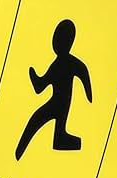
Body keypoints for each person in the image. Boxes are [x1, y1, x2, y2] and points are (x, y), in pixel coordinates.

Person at [15, 19, 92, 159]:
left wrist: (89, 93)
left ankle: (62, 138)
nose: (55, 42)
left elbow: (83, 73)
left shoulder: (65, 63)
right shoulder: (61, 63)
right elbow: (41, 86)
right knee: (34, 121)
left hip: (58, 104)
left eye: (58, 39)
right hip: (58, 104)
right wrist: (37, 80)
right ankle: (18, 153)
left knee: (38, 122)